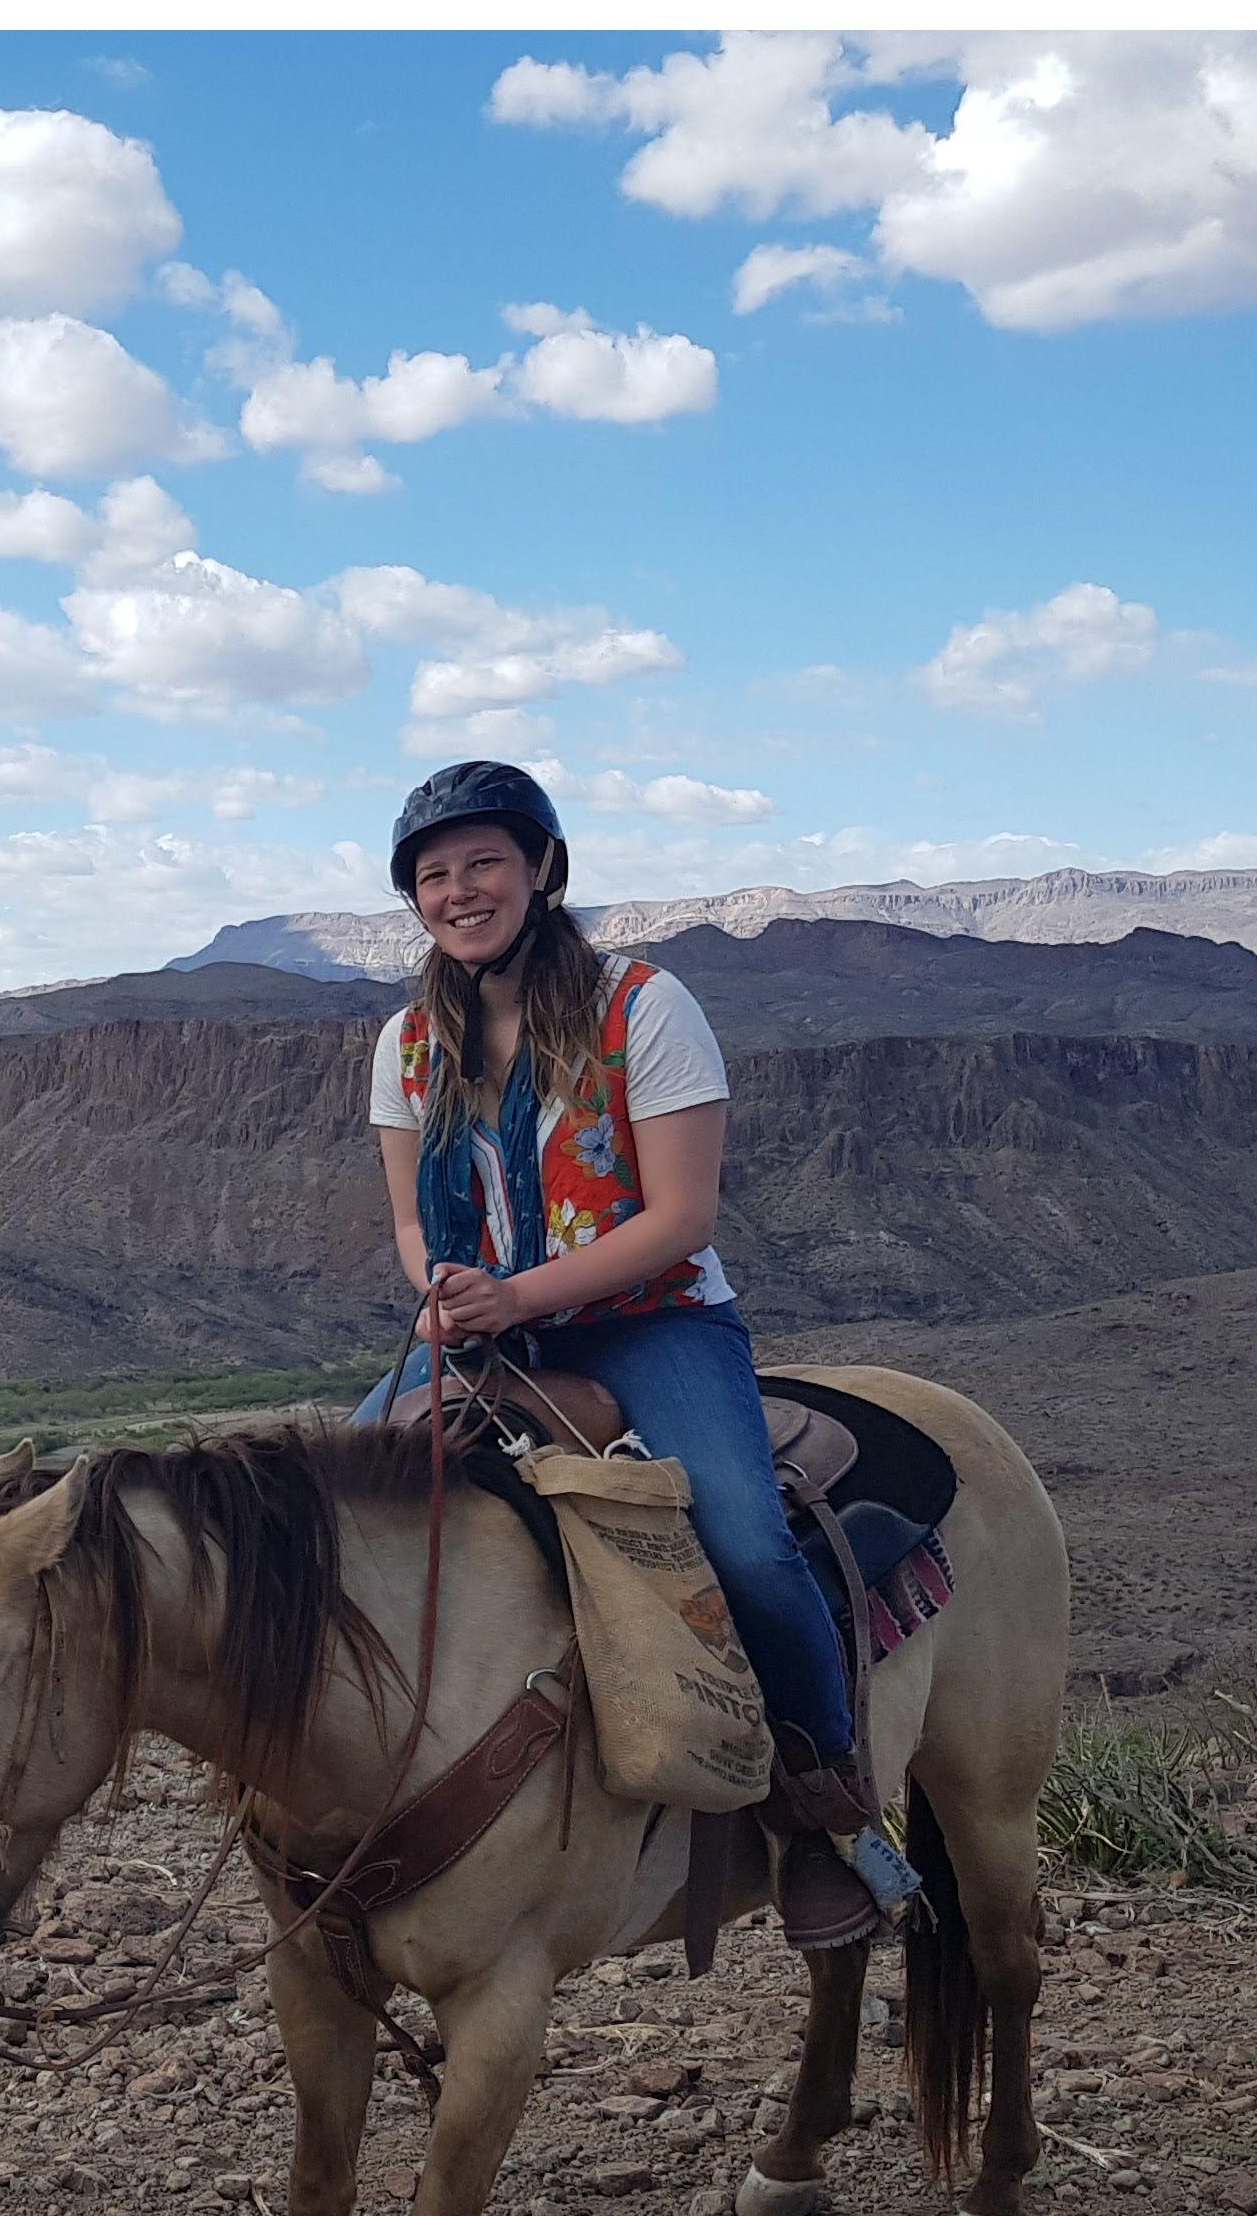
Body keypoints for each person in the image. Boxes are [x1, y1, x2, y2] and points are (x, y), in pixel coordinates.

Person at [352, 758, 890, 1948]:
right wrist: (436, 1296)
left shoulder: (645, 1008)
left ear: (542, 870)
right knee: (337, 1504)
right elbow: (407, 1219)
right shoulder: (403, 1045)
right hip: (494, 1329)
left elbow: (678, 1218)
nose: (459, 890)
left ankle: (825, 1811)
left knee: (747, 1543)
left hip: (657, 1320)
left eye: (483, 861)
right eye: (434, 876)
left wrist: (513, 1297)